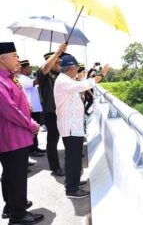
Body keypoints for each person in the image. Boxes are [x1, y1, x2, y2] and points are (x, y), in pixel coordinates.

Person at [0, 42, 44, 224]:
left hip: (16, 136)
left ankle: (12, 206)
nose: (18, 59)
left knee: (11, 175)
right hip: (12, 137)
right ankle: (19, 215)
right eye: (15, 56)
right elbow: (10, 110)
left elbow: (17, 104)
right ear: (2, 59)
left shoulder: (10, 78)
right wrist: (32, 124)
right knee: (17, 176)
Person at [54, 54, 109, 198]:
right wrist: (101, 74)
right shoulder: (64, 81)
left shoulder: (66, 80)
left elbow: (80, 87)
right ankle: (72, 189)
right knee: (73, 158)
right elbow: (85, 84)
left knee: (73, 157)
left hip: (72, 126)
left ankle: (73, 182)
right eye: (77, 68)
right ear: (71, 68)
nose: (78, 71)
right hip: (70, 127)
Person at [36, 44, 67, 177]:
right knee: (53, 141)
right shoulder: (44, 75)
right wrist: (58, 52)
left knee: (66, 138)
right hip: (51, 113)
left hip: (63, 112)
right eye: (57, 61)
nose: (59, 63)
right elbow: (45, 68)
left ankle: (71, 165)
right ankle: (55, 168)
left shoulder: (61, 75)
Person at [18, 60, 46, 157]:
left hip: (35, 109)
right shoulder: (22, 78)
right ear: (24, 69)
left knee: (36, 130)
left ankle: (35, 147)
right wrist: (43, 70)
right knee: (32, 131)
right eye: (29, 67)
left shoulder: (27, 77)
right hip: (30, 109)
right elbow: (36, 81)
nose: (30, 69)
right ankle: (32, 150)